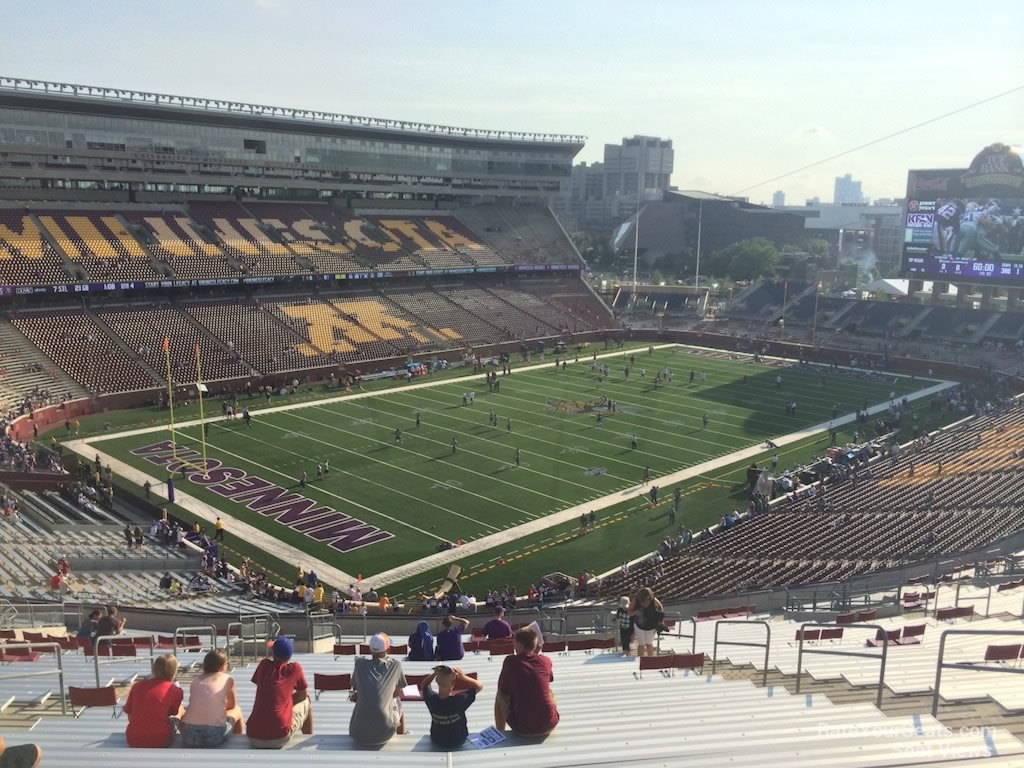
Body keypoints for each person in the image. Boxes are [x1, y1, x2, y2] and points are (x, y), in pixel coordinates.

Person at [247, 637, 310, 749]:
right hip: (279, 737)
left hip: (253, 736)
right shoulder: (295, 669)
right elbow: (302, 695)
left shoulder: (263, 666)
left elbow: (269, 694)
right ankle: (309, 740)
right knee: (307, 701)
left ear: (273, 653)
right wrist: (287, 702)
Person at [494, 628, 559, 737]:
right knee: (547, 689)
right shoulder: (546, 660)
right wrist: (537, 655)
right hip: (549, 724)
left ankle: (500, 732)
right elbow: (550, 678)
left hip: (522, 728)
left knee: (500, 694)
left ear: (519, 644)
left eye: (514, 642)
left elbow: (503, 688)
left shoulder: (510, 661)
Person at [349, 633, 409, 746]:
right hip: (385, 733)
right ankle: (401, 735)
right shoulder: (395, 665)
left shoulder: (359, 663)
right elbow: (396, 694)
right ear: (388, 649)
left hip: (358, 733)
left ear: (370, 650)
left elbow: (354, 686)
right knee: (398, 702)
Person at [180, 650, 244, 747]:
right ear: (223, 666)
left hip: (189, 734)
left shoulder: (195, 680)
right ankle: (239, 743)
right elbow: (232, 705)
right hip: (214, 735)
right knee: (237, 710)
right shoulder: (228, 679)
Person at [123, 654, 184, 748]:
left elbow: (130, 716)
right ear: (174, 672)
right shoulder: (175, 691)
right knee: (181, 708)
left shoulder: (137, 686)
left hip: (133, 739)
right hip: (160, 739)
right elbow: (173, 712)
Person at [418, 665, 484, 749]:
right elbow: (479, 686)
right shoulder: (460, 700)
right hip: (458, 740)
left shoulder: (431, 699)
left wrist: (435, 674)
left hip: (437, 739)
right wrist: (463, 677)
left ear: (437, 681)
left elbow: (424, 684)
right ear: (453, 684)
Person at [628, 587, 664, 658]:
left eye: (647, 600)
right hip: (639, 626)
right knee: (641, 644)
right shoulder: (635, 600)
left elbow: (660, 608)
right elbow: (629, 612)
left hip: (651, 626)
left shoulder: (653, 600)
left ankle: (650, 660)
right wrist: (635, 612)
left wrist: (660, 620)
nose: (644, 602)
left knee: (649, 643)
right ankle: (641, 660)